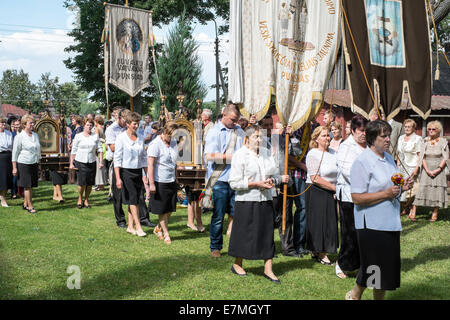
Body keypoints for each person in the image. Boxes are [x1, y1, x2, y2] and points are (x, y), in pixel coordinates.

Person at [346, 120, 414, 300]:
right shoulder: (362, 162)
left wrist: (402, 187)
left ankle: (355, 294)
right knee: (374, 268)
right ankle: (358, 294)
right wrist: (385, 194)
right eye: (383, 136)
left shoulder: (389, 158)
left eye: (388, 135)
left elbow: (392, 188)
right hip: (371, 224)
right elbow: (357, 198)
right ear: (371, 139)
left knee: (383, 268)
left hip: (390, 221)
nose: (387, 139)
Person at [228, 125, 289, 283]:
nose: (260, 140)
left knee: (267, 233)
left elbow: (273, 172)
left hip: (266, 198)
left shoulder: (266, 153)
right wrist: (255, 184)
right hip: (246, 200)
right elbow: (234, 182)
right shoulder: (239, 155)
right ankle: (237, 264)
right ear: (247, 139)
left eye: (261, 136)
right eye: (256, 137)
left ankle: (268, 268)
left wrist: (271, 180)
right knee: (244, 233)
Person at [204, 104, 244, 257]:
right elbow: (209, 156)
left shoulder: (240, 131)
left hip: (236, 178)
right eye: (233, 120)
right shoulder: (214, 132)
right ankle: (215, 247)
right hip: (220, 179)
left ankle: (236, 246)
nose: (235, 123)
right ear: (224, 115)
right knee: (219, 216)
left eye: (237, 120)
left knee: (238, 214)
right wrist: (232, 158)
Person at [335, 115, 369, 279]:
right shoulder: (346, 146)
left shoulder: (371, 146)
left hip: (370, 197)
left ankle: (363, 265)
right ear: (354, 130)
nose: (364, 134)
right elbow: (347, 171)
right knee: (350, 232)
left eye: (366, 131)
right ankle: (342, 264)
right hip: (350, 196)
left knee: (366, 233)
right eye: (361, 131)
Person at [305, 125, 338, 265]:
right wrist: (334, 188)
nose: (327, 138)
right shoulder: (313, 153)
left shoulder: (334, 152)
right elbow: (315, 177)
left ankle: (320, 249)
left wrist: (337, 188)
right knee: (319, 223)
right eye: (324, 135)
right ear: (316, 138)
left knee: (330, 222)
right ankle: (320, 253)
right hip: (317, 190)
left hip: (331, 190)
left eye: (328, 135)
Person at [114, 112, 148, 237]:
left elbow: (144, 158)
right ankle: (138, 226)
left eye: (138, 124)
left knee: (134, 199)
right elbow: (117, 159)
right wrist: (118, 178)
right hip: (126, 171)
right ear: (128, 124)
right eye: (134, 124)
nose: (136, 126)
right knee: (134, 199)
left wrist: (146, 174)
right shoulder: (121, 138)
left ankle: (130, 226)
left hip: (138, 171)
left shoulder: (140, 137)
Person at [147, 122, 180, 244]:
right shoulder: (155, 144)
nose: (171, 138)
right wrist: (151, 183)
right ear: (164, 132)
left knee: (170, 208)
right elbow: (150, 164)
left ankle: (158, 228)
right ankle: (166, 233)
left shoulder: (173, 143)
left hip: (171, 179)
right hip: (159, 180)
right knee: (162, 209)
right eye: (169, 136)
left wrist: (176, 177)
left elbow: (174, 162)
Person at [413, 121, 448, 222]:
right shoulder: (424, 141)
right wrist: (427, 170)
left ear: (438, 131)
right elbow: (422, 156)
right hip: (426, 169)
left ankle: (435, 213)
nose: (431, 131)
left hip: (438, 170)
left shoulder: (443, 142)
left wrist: (438, 169)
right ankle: (413, 211)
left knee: (437, 191)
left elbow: (445, 157)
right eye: (429, 129)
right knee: (421, 190)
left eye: (433, 129)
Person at [70, 119, 103, 209]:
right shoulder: (78, 136)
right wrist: (71, 163)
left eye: (91, 125)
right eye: (88, 125)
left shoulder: (95, 136)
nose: (89, 127)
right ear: (84, 125)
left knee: (89, 182)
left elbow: (100, 149)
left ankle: (86, 199)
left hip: (92, 161)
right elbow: (74, 150)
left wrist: (100, 162)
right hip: (80, 161)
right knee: (82, 182)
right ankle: (80, 198)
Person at [12, 115, 41, 214]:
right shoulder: (19, 137)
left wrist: (39, 161)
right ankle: (30, 206)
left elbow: (38, 149)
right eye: (30, 123)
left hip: (34, 162)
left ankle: (25, 203)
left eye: (33, 123)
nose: (33, 124)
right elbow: (15, 153)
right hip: (23, 163)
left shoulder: (35, 135)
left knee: (31, 185)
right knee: (27, 185)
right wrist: (14, 168)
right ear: (25, 124)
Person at [397, 119, 422, 220]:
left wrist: (416, 168)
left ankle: (412, 209)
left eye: (409, 127)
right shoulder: (401, 138)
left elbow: (420, 156)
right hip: (401, 165)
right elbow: (399, 153)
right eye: (405, 126)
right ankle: (406, 207)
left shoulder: (418, 138)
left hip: (412, 165)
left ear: (413, 128)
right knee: (402, 186)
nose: (407, 128)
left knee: (412, 188)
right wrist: (398, 165)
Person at [0, 118, 13, 207]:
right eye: (1, 122)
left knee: (6, 178)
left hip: (8, 157)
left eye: (4, 122)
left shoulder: (9, 133)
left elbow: (11, 146)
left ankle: (3, 197)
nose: (3, 124)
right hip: (0, 156)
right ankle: (2, 199)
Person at [94, 115, 107, 191]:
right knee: (102, 166)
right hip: (103, 147)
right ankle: (101, 184)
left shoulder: (97, 129)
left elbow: (96, 139)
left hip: (99, 148)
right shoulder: (102, 128)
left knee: (99, 166)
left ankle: (100, 184)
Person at [10, 118, 21, 200]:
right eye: (16, 125)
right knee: (14, 176)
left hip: (23, 157)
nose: (17, 126)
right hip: (14, 157)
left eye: (18, 124)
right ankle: (13, 192)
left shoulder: (24, 134)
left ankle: (21, 192)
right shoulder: (12, 134)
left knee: (22, 176)